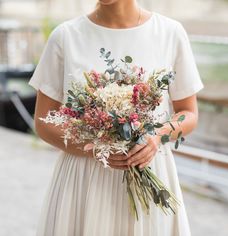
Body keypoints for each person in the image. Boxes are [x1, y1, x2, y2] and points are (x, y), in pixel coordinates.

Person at [28, 0, 204, 235]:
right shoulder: (65, 36)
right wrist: (95, 149)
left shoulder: (170, 33)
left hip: (150, 166)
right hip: (83, 181)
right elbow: (43, 122)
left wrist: (156, 136)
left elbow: (189, 114)